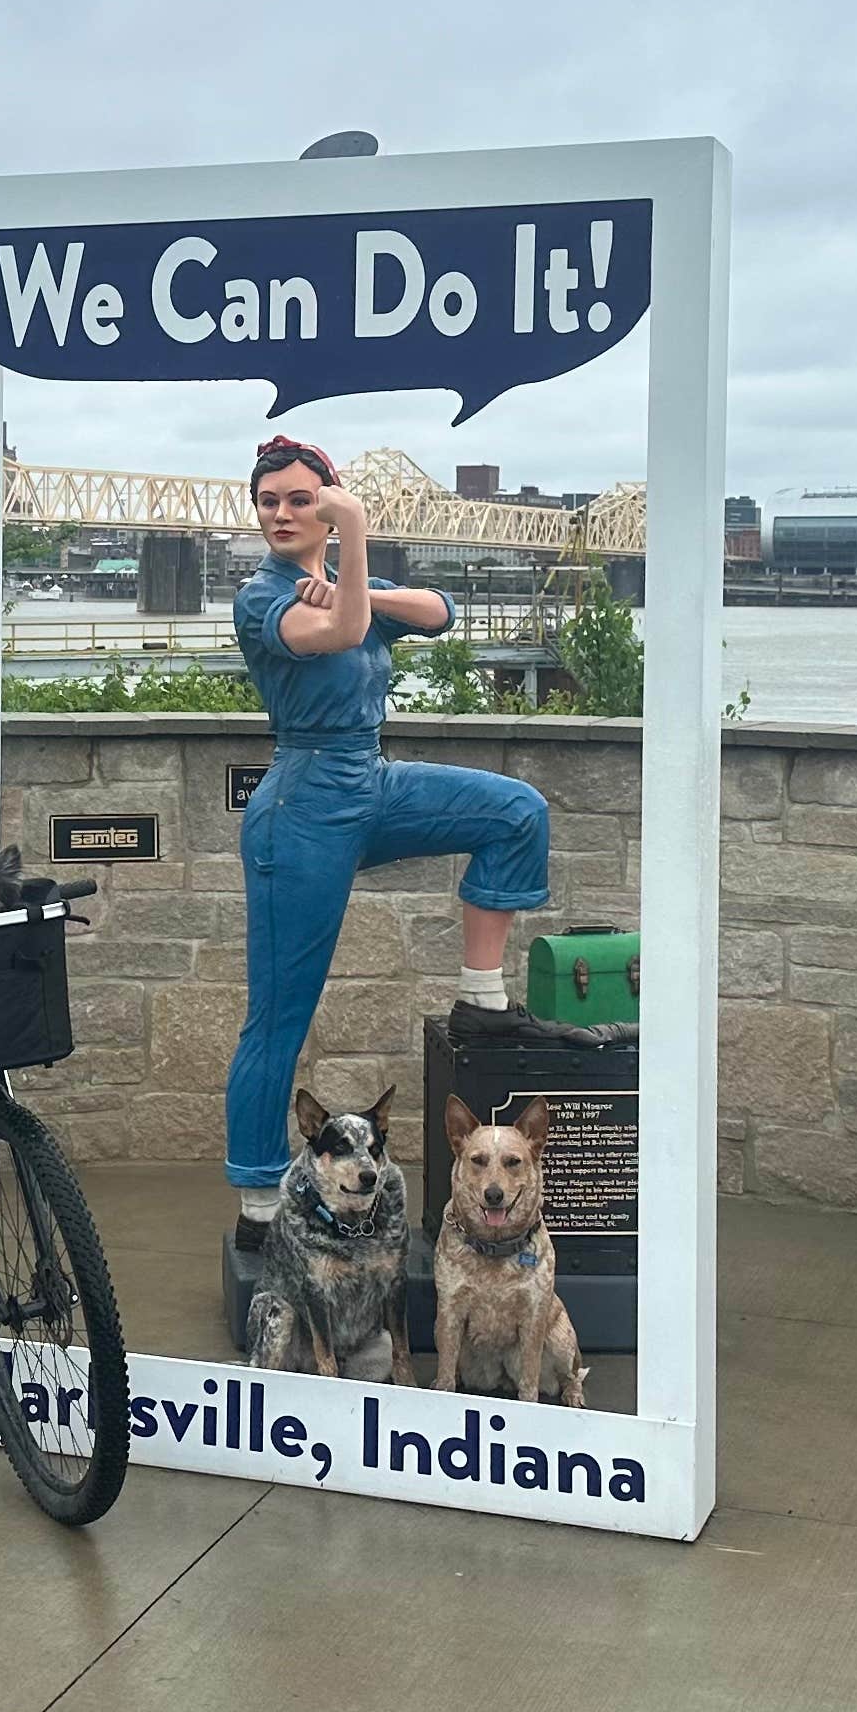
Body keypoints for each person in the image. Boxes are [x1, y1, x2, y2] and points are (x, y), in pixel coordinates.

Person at [226, 435, 584, 1238]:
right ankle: (256, 1196)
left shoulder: (342, 581)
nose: (282, 513)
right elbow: (347, 633)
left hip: (370, 780)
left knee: (516, 811)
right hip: (303, 803)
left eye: (300, 498)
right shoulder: (261, 597)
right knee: (279, 1014)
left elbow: (439, 612)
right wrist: (351, 546)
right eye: (268, 501)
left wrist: (363, 582)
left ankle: (482, 1000)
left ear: (327, 499)